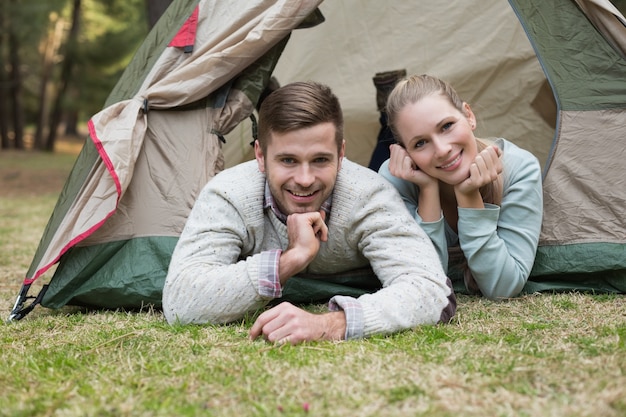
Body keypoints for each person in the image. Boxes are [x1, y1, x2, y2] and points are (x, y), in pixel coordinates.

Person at [163, 81, 456, 344]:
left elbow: (431, 290)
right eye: (288, 160)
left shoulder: (368, 196)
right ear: (260, 156)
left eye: (319, 160)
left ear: (341, 154)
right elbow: (180, 302)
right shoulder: (228, 194)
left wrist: (329, 324)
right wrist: (291, 259)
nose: (304, 179)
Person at [378, 74, 543, 300]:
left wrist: (468, 197)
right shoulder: (397, 178)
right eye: (420, 143)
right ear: (406, 151)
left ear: (469, 115)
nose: (442, 149)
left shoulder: (520, 169)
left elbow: (503, 287)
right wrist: (427, 190)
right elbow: (425, 279)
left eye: (446, 126)